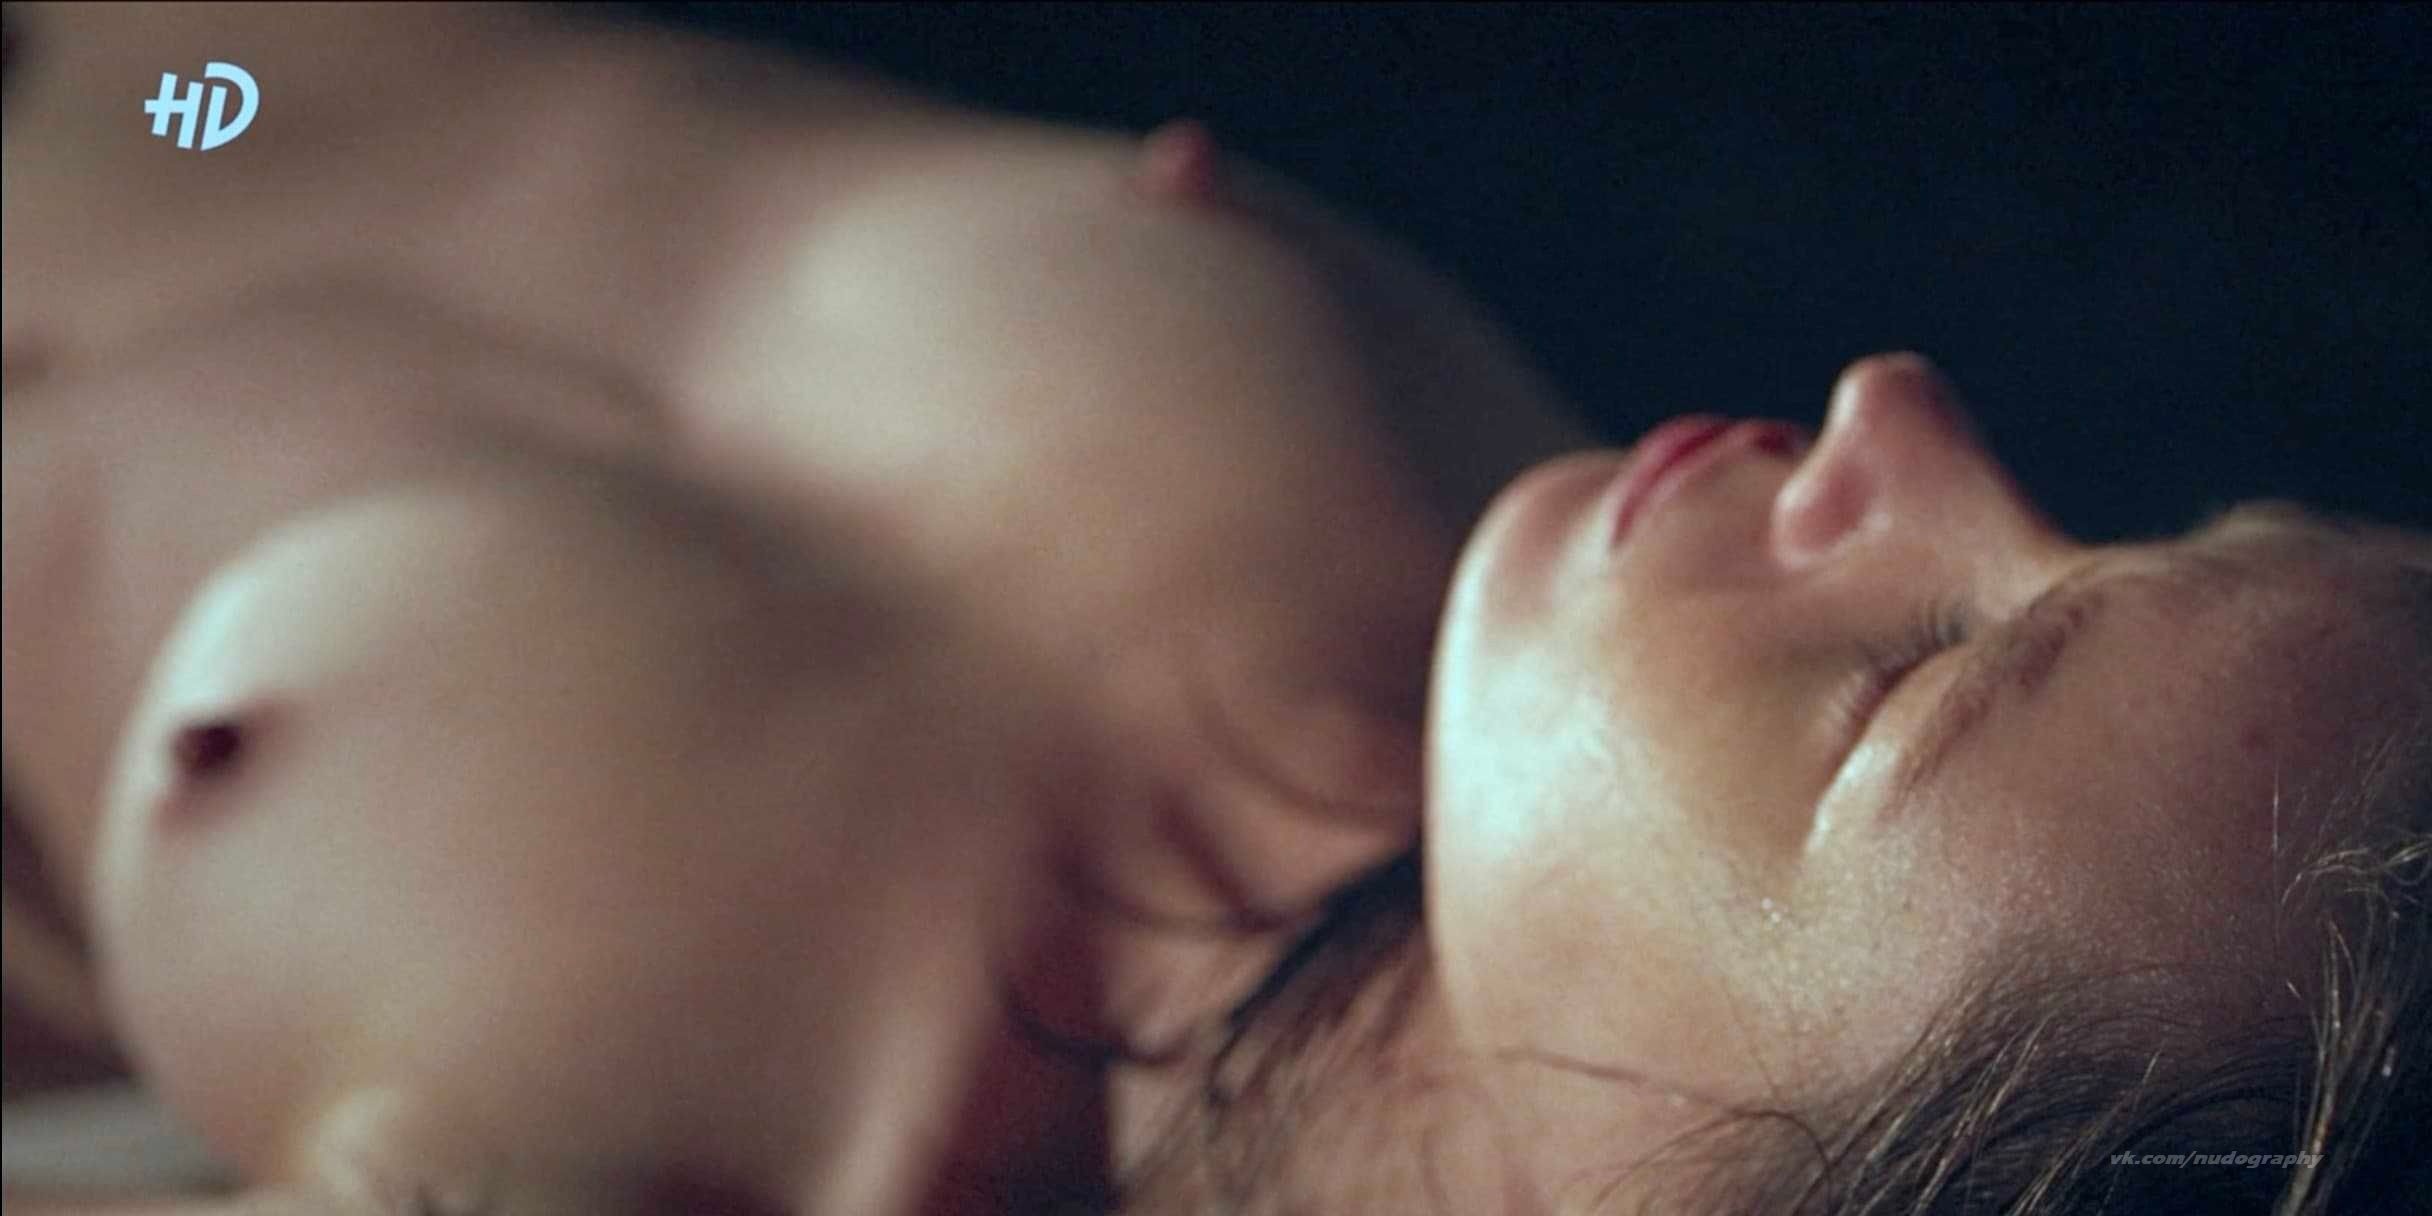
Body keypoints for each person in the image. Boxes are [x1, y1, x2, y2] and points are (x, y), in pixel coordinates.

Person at [7, 7, 2426, 1216]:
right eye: (2119, 524)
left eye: (1915, 675)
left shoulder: (633, 1148)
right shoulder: (1489, 558)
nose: (1900, 413)